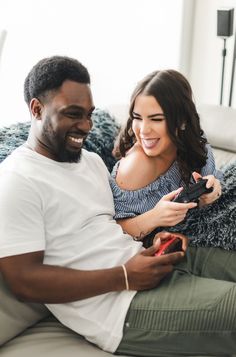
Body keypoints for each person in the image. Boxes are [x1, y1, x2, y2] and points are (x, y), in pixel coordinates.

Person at [0, 56, 236, 356]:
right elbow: (24, 281)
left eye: (89, 114)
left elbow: (114, 228)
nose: (85, 126)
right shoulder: (16, 179)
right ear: (36, 109)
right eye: (73, 114)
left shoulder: (92, 162)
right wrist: (124, 276)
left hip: (147, 260)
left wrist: (154, 236)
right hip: (119, 307)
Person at [110, 70, 224, 243]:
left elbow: (212, 188)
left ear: (182, 121)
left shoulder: (197, 147)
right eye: (137, 118)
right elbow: (111, 231)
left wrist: (212, 191)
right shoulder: (136, 165)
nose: (144, 130)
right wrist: (155, 217)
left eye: (156, 119)